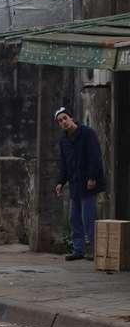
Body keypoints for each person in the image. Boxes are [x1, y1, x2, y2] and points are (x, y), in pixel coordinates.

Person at [54, 107, 106, 261]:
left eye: (65, 118)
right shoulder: (63, 141)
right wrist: (60, 182)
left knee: (88, 217)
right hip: (74, 184)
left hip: (88, 182)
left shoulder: (87, 133)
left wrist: (92, 177)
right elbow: (64, 164)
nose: (63, 122)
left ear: (71, 118)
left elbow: (95, 156)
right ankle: (78, 250)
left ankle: (95, 250)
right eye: (60, 121)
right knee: (74, 218)